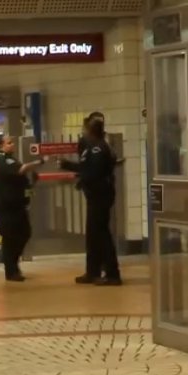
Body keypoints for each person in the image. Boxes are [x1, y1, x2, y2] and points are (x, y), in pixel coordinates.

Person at [60, 119, 122, 286]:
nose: (83, 132)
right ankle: (92, 271)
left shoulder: (96, 148)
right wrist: (70, 167)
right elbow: (89, 169)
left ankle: (112, 273)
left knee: (101, 235)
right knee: (94, 235)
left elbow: (93, 171)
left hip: (99, 196)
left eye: (84, 129)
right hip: (97, 195)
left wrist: (81, 178)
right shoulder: (99, 146)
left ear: (90, 130)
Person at [0, 134, 46, 282]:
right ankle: (11, 269)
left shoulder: (11, 158)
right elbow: (21, 170)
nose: (12, 145)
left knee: (24, 233)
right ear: (1, 146)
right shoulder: (1, 160)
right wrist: (39, 162)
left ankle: (12, 264)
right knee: (11, 237)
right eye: (9, 143)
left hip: (17, 204)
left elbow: (21, 179)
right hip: (6, 206)